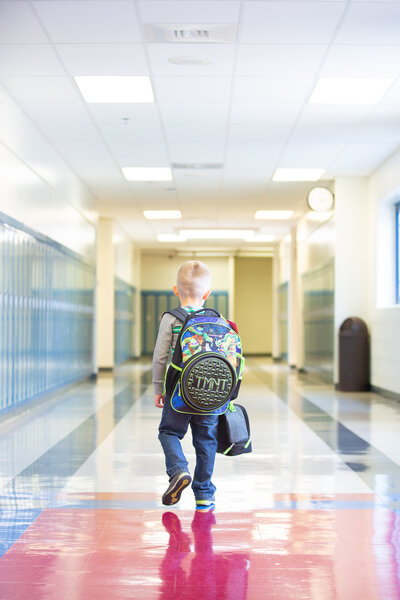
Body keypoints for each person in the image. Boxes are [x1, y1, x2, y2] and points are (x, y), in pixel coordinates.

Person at [153, 260, 218, 512]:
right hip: (210, 392)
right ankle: (204, 495)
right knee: (206, 441)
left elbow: (160, 357)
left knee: (169, 432)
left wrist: (158, 388)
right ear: (207, 294)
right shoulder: (215, 318)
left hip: (179, 392)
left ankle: (179, 470)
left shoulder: (171, 318)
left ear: (175, 290)